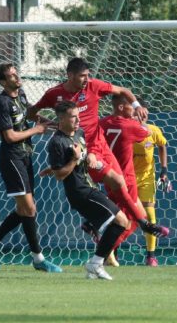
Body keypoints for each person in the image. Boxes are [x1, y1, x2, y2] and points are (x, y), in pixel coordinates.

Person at [28, 57, 168, 239]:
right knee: (112, 185)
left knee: (120, 184)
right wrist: (54, 125)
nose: (86, 79)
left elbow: (124, 90)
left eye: (88, 75)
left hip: (101, 144)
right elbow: (32, 114)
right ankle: (142, 224)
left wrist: (137, 106)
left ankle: (100, 224)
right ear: (69, 75)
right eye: (82, 76)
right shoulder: (54, 94)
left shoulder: (93, 86)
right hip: (85, 150)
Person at [0, 63, 62, 273]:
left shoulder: (21, 95)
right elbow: (10, 136)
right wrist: (37, 130)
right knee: (29, 209)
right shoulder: (2, 103)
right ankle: (38, 259)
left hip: (25, 157)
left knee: (24, 209)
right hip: (12, 159)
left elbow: (30, 115)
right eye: (11, 76)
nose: (16, 77)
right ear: (2, 82)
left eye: (16, 73)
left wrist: (52, 124)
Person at [46, 100, 132, 280]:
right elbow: (60, 175)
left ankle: (96, 263)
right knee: (122, 221)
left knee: (118, 223)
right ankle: (96, 263)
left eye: (78, 116)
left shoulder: (78, 134)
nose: (78, 120)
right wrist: (74, 160)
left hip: (89, 187)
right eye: (73, 117)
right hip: (80, 192)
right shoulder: (57, 142)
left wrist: (90, 158)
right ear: (61, 119)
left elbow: (69, 164)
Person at [99, 94, 151, 266]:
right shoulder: (129, 125)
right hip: (126, 179)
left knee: (134, 215)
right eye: (132, 106)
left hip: (108, 176)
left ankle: (106, 246)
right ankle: (105, 250)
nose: (135, 109)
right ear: (121, 107)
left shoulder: (103, 123)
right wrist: (141, 119)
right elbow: (146, 132)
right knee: (134, 218)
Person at [132, 97, 171, 267]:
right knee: (121, 218)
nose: (141, 118)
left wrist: (164, 171)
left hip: (147, 179)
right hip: (126, 178)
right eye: (137, 114)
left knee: (149, 214)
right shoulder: (124, 130)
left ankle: (151, 256)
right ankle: (112, 254)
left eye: (145, 115)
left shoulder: (153, 131)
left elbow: (162, 146)